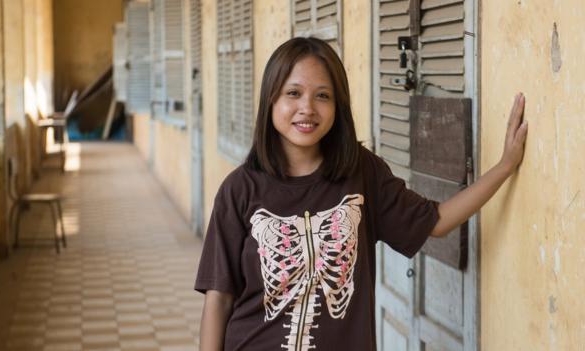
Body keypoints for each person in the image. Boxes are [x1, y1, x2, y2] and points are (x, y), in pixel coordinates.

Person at [194, 37, 527, 351]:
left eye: (322, 96)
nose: (307, 108)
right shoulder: (239, 190)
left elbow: (436, 221)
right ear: (271, 99)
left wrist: (504, 167)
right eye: (293, 93)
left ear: (338, 105)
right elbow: (219, 298)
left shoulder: (362, 173)